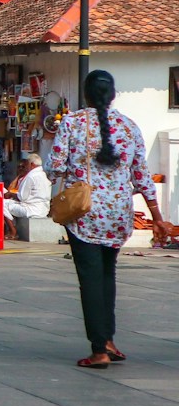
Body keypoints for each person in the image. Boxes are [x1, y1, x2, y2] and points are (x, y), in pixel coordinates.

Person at [48, 70, 169, 370]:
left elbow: (55, 166)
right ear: (113, 95)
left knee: (89, 279)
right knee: (107, 275)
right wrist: (157, 218)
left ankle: (99, 348)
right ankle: (109, 339)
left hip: (84, 212)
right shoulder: (129, 127)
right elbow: (141, 176)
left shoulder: (73, 123)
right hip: (118, 214)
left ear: (86, 95)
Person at [4, 152, 52, 237]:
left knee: (1, 204)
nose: (26, 167)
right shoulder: (44, 175)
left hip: (30, 210)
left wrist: (11, 194)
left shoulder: (31, 176)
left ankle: (13, 231)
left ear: (32, 164)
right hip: (43, 210)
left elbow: (22, 197)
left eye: (26, 164)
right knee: (9, 203)